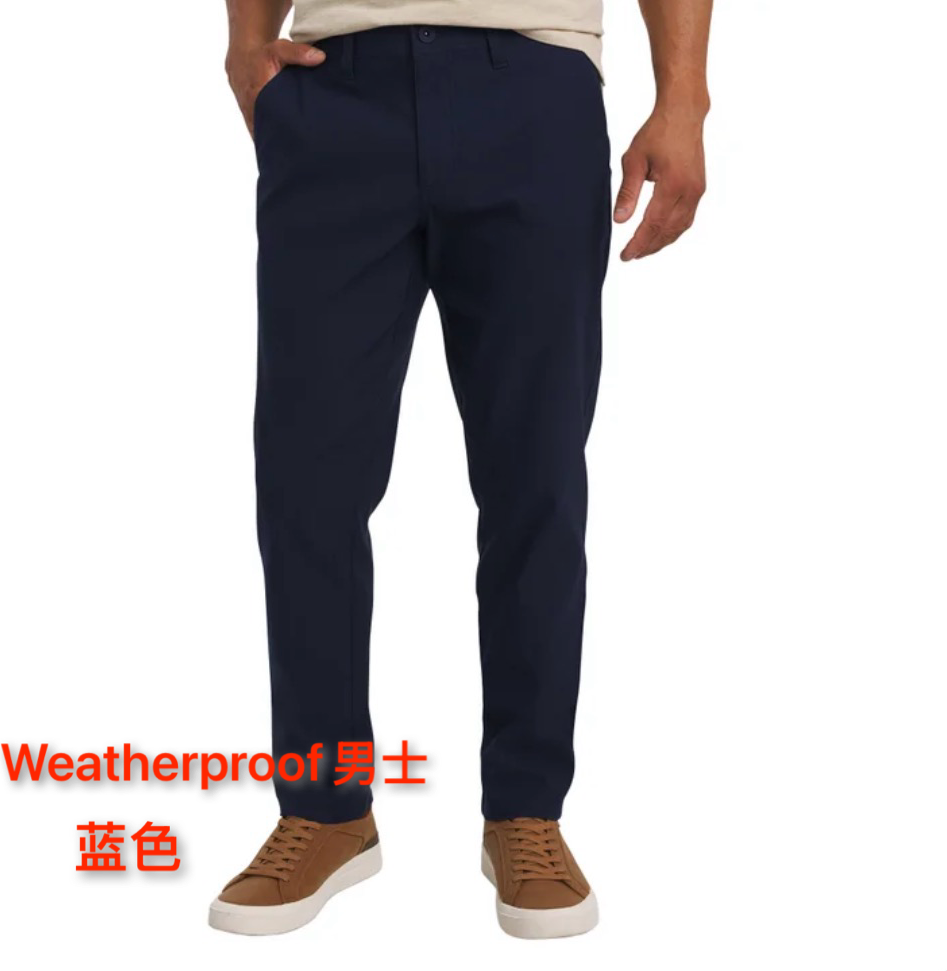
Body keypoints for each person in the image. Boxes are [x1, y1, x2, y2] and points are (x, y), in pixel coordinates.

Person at [209, 0, 712, 939]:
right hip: (333, 89)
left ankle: (526, 811)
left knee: (536, 477)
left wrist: (682, 98)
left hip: (533, 87)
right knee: (305, 479)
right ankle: (324, 809)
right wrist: (244, 44)